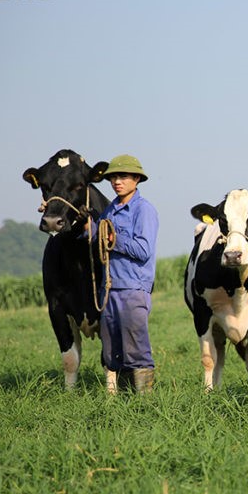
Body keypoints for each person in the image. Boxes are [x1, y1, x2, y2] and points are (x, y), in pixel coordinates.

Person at [98, 154, 159, 393]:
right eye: (113, 177)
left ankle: (145, 403)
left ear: (136, 179)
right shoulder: (109, 211)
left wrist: (115, 239)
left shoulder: (144, 210)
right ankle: (126, 406)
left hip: (133, 289)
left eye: (123, 176)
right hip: (109, 289)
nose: (117, 182)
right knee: (113, 351)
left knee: (136, 349)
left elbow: (143, 250)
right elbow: (98, 239)